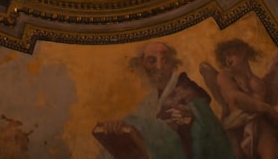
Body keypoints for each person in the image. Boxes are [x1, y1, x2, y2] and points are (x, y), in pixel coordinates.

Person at [94, 41, 233, 159]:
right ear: (141, 65)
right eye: (151, 61)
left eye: (165, 60)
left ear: (174, 65)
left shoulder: (189, 94)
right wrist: (118, 130)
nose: (159, 67)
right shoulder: (148, 103)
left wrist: (130, 124)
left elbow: (212, 139)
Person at [201, 39, 278, 159]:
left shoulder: (261, 83)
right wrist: (268, 108)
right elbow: (236, 99)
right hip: (236, 129)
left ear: (243, 51)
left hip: (261, 125)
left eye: (230, 54)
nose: (227, 59)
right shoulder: (225, 76)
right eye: (224, 57)